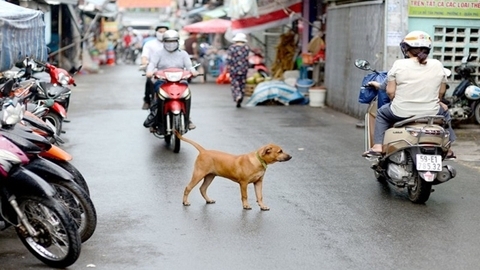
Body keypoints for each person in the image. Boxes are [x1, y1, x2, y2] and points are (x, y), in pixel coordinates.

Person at [363, 30, 456, 159]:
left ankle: (378, 146)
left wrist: (393, 99)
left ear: (406, 48)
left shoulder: (399, 64)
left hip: (401, 112)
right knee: (445, 112)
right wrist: (438, 101)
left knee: (382, 114)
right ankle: (449, 148)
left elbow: (390, 91)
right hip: (431, 112)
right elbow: (441, 91)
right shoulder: (437, 65)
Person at [144, 30, 198, 134]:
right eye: (168, 41)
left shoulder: (183, 54)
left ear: (178, 42)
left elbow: (189, 66)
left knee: (187, 94)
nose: (171, 43)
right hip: (162, 81)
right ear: (164, 41)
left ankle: (188, 118)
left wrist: (193, 72)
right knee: (157, 95)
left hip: (180, 81)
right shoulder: (158, 53)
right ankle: (154, 118)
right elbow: (152, 65)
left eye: (173, 41)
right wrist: (149, 71)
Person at [140, 25, 169, 110]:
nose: (162, 33)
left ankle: (187, 118)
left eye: (164, 32)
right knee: (149, 80)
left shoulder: (172, 44)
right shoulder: (149, 44)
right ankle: (147, 100)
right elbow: (144, 57)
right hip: (154, 71)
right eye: (160, 31)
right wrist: (145, 63)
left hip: (171, 71)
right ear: (156, 33)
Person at [226, 33, 250, 108]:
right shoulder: (246, 48)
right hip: (244, 69)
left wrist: (227, 68)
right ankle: (241, 97)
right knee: (242, 84)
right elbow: (247, 58)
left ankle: (237, 96)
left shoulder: (232, 48)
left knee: (235, 84)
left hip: (234, 69)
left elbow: (229, 59)